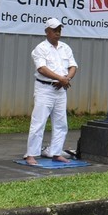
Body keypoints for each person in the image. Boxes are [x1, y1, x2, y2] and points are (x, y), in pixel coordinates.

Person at [25, 17, 78, 164]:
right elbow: (42, 69)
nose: (57, 33)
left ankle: (56, 153)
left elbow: (73, 66)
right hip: (44, 88)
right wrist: (60, 78)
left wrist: (66, 78)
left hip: (61, 89)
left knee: (61, 123)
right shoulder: (40, 48)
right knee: (39, 122)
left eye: (59, 30)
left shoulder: (65, 48)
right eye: (54, 30)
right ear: (47, 31)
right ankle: (31, 154)